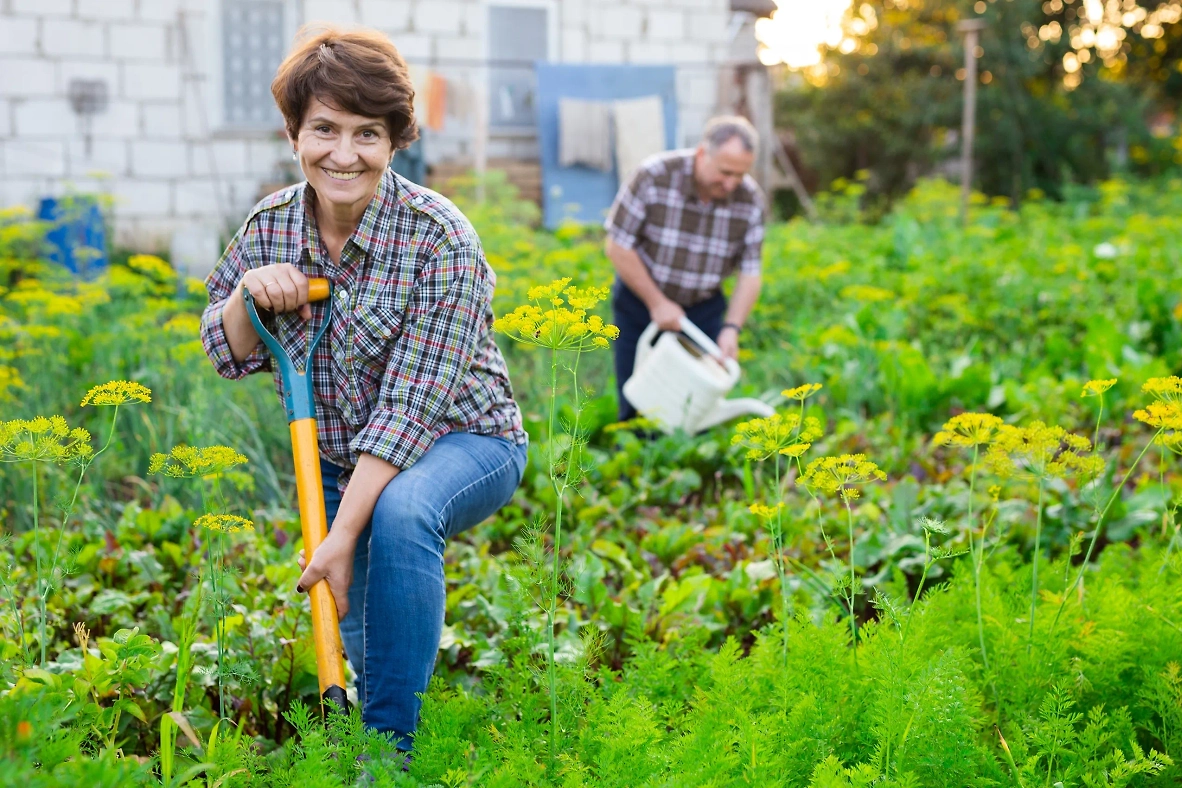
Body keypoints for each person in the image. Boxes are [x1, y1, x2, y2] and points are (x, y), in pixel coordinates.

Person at [198, 26, 527, 754]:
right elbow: (224, 349)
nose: (343, 154)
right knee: (376, 650)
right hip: (344, 466)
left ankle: (390, 757)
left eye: (366, 134)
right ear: (294, 133)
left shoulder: (441, 238)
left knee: (403, 513)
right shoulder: (269, 228)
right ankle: (386, 725)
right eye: (324, 129)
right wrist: (247, 294)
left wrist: (340, 534)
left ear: (394, 141)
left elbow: (413, 408)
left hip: (466, 439)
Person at [604, 116, 766, 422]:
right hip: (641, 301)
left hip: (702, 309)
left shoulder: (750, 199)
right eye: (725, 172)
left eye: (740, 175)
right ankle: (635, 459)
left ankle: (686, 458)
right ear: (703, 153)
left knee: (695, 402)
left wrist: (732, 329)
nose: (731, 183)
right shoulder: (654, 175)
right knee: (638, 401)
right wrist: (657, 303)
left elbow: (750, 273)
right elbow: (617, 246)